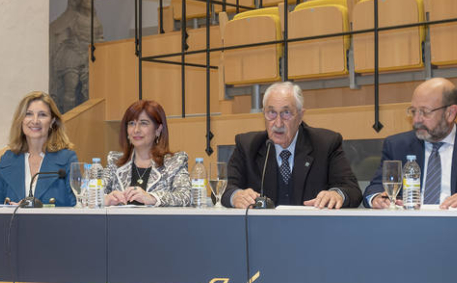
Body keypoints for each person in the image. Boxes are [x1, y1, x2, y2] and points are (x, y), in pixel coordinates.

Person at [223, 81, 362, 209]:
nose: (278, 123)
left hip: (312, 226)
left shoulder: (325, 144)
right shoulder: (247, 146)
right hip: (262, 227)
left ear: (300, 116)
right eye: (271, 113)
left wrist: (337, 194)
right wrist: (235, 196)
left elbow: (352, 190)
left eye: (286, 113)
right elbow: (223, 190)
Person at [364, 77, 457, 209]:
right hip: (409, 219)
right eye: (413, 111)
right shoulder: (397, 145)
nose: (416, 120)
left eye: (425, 112)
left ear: (450, 113)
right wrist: (377, 198)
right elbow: (375, 188)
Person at [0, 91, 77, 206]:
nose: (35, 121)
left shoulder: (67, 159)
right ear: (21, 120)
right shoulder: (8, 159)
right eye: (28, 114)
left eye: (42, 115)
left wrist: (34, 207)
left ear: (52, 121)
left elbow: (77, 206)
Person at [104, 100, 191, 207]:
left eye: (143, 123)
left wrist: (152, 198)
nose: (136, 130)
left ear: (158, 129)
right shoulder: (115, 161)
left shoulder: (174, 163)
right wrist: (105, 199)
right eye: (131, 123)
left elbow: (186, 197)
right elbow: (89, 195)